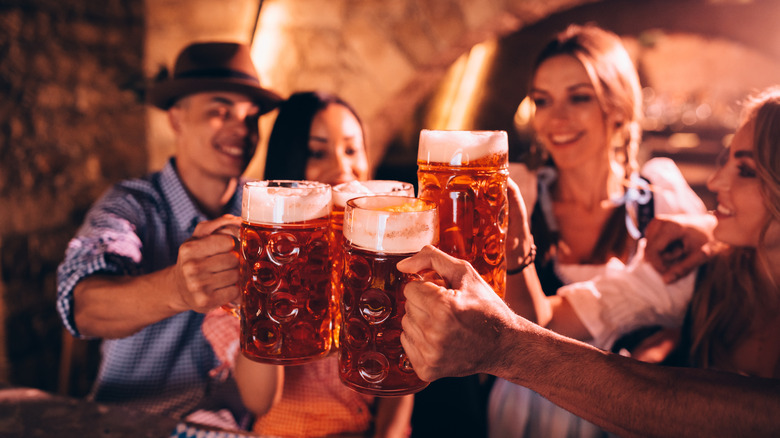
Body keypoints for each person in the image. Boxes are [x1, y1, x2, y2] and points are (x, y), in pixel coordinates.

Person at [397, 86, 780, 437]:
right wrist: (514, 248)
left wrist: (506, 346)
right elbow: (547, 320)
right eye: (541, 99)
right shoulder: (694, 267)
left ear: (617, 111)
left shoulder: (664, 210)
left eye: (745, 170)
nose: (714, 183)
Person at [56, 41, 283, 428]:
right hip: (131, 423)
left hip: (227, 426)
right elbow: (84, 307)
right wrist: (177, 289)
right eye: (220, 111)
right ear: (176, 119)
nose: (241, 130)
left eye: (251, 117)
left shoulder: (265, 209)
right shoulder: (132, 204)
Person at [496, 23, 707, 436]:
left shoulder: (659, 197)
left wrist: (661, 348)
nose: (556, 118)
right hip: (528, 412)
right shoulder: (521, 200)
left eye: (578, 98)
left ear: (617, 107)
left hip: (640, 412)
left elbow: (700, 301)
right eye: (542, 100)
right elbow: (513, 327)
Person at [202, 91, 414, 437]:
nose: (343, 168)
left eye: (350, 149)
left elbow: (403, 374)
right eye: (317, 152)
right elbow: (259, 400)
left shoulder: (381, 257)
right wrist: (263, 289)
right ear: (289, 164)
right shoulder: (256, 258)